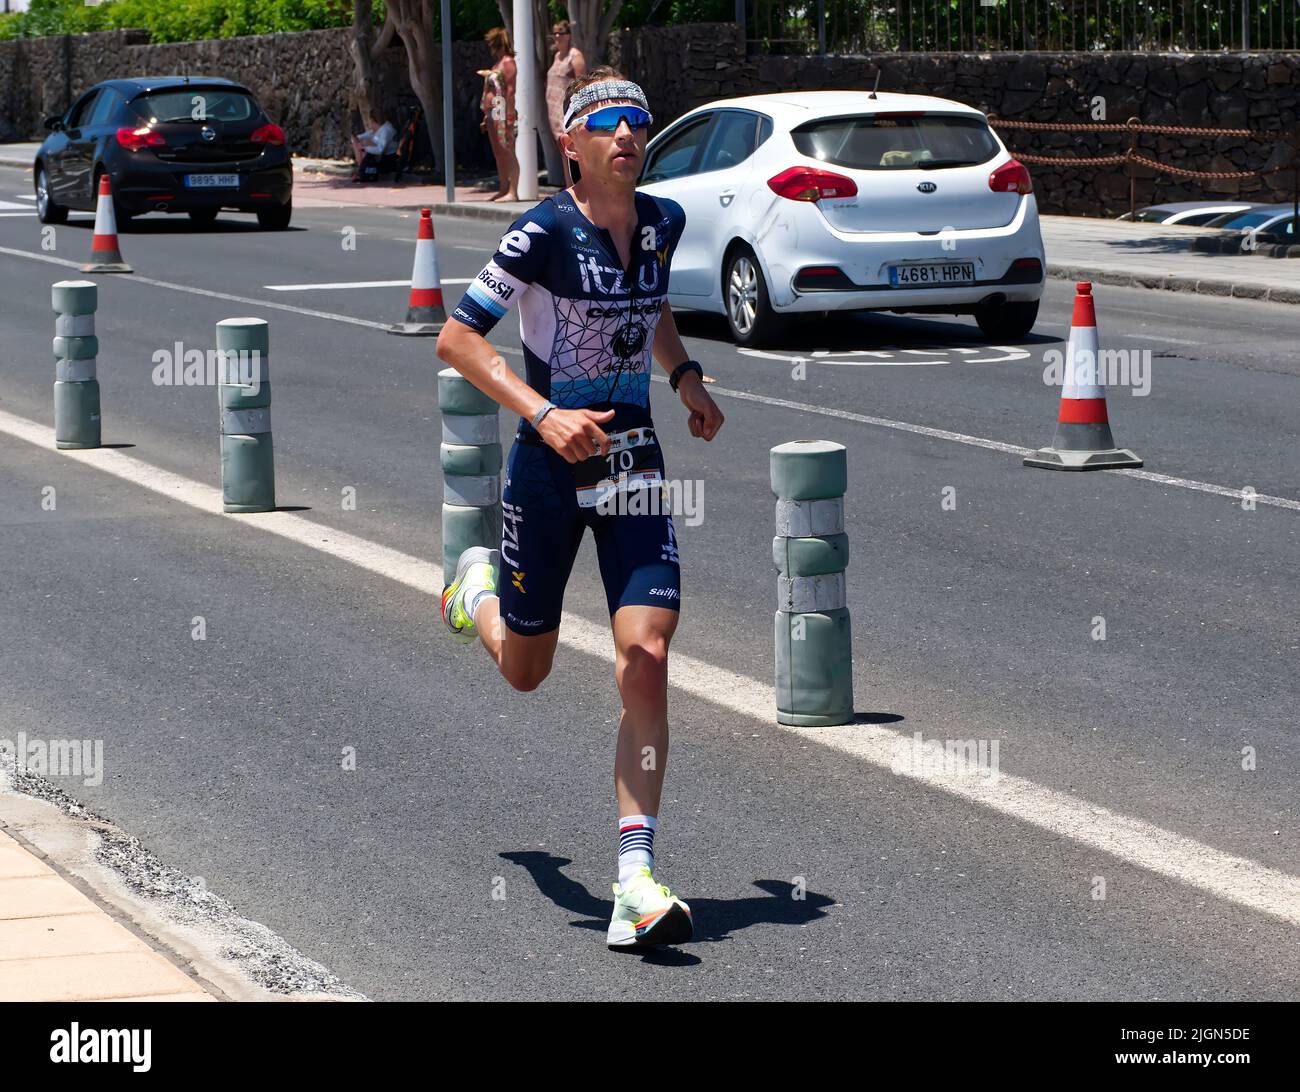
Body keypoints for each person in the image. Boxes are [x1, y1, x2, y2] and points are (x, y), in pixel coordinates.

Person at [436, 67, 724, 950]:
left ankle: (634, 877)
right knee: (527, 671)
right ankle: (474, 591)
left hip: (633, 458)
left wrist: (683, 376)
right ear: (571, 145)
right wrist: (545, 413)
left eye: (639, 124)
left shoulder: (665, 222)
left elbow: (653, 304)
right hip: (547, 467)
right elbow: (456, 337)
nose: (627, 138)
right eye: (606, 127)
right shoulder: (541, 232)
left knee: (646, 651)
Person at [480, 27, 519, 202]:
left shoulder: (508, 62)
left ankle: (513, 191)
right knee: (499, 152)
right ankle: (504, 188)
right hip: (494, 111)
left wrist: (509, 116)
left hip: (503, 110)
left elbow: (510, 91)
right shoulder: (498, 64)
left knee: (508, 150)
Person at [545, 21, 586, 183]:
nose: (557, 36)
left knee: (573, 151)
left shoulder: (575, 56)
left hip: (567, 112)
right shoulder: (556, 56)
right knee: (564, 151)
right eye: (554, 33)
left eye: (561, 33)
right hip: (554, 112)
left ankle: (579, 188)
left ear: (568, 35)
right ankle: (569, 188)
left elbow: (581, 85)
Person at [351, 106, 396, 179]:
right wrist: (355, 140)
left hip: (389, 159)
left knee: (365, 143)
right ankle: (360, 168)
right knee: (361, 142)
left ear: (373, 120)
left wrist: (365, 148)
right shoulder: (378, 129)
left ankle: (360, 168)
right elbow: (362, 136)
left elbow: (380, 149)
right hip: (382, 156)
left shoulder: (386, 130)